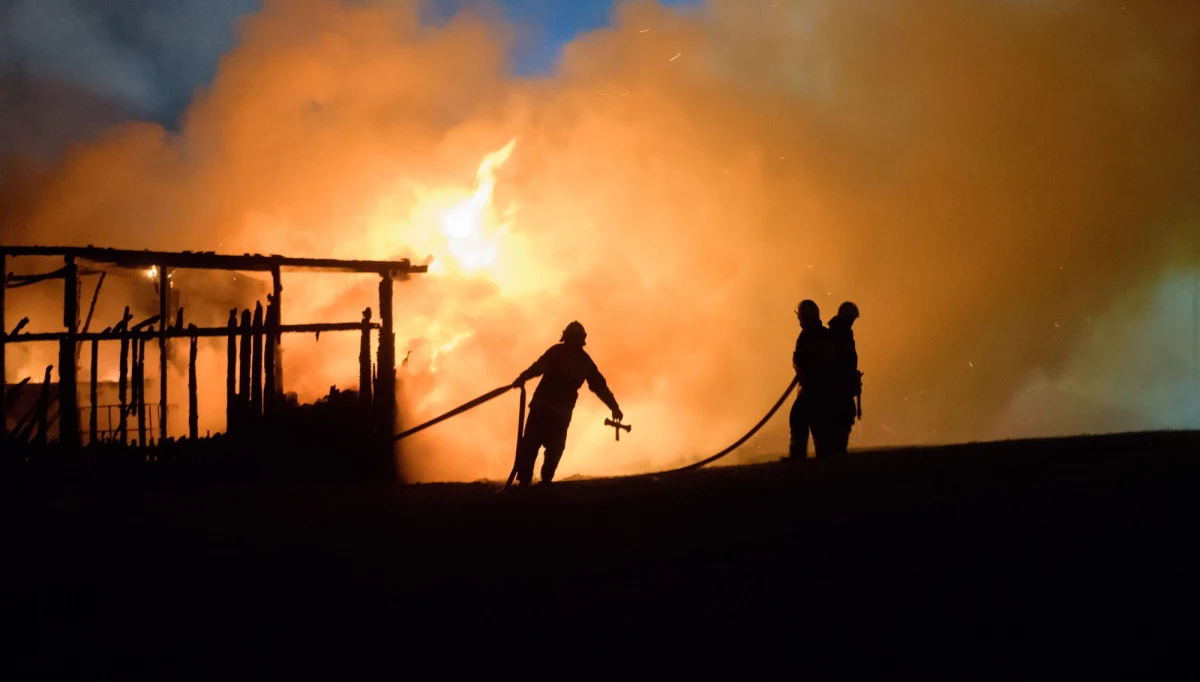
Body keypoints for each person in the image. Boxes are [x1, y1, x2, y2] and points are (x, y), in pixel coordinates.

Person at [511, 321, 623, 486]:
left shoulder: (569, 356)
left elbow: (538, 367)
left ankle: (536, 482)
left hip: (548, 408)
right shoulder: (579, 359)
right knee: (539, 445)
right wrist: (522, 378)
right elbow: (599, 386)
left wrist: (614, 407)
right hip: (553, 410)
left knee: (540, 445)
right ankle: (534, 482)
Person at [789, 300, 835, 460]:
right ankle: (824, 458)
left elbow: (801, 360)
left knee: (798, 419)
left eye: (800, 317)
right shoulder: (825, 334)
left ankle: (798, 458)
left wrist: (800, 366)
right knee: (819, 426)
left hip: (811, 389)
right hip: (823, 389)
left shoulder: (807, 336)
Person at [825, 302, 862, 455]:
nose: (853, 321)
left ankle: (837, 452)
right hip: (838, 387)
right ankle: (838, 452)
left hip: (839, 385)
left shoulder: (838, 331)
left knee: (843, 417)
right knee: (843, 417)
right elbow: (841, 360)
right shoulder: (841, 333)